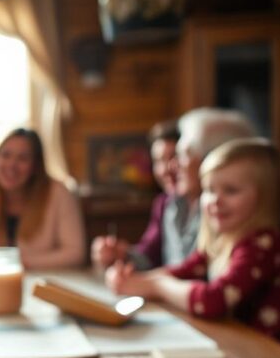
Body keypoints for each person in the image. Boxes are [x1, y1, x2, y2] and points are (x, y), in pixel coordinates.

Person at [107, 138, 280, 340]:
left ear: (266, 197)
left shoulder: (265, 244)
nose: (215, 201)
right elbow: (184, 271)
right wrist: (136, 280)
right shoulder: (222, 240)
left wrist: (154, 285)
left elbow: (212, 300)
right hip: (239, 346)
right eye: (209, 190)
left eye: (231, 190)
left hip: (272, 357)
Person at [93, 109, 255, 270]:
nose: (170, 167)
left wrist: (157, 283)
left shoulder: (218, 209)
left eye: (179, 155)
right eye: (158, 160)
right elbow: (153, 255)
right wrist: (121, 254)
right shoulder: (167, 203)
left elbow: (199, 274)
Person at [0, 129, 85, 269]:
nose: (12, 165)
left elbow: (75, 253)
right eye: (6, 155)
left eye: (22, 158)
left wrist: (22, 262)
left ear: (35, 166)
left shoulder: (59, 194)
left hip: (46, 284)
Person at [92, 121, 179, 270]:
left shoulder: (208, 207)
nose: (165, 169)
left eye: (173, 157)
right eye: (159, 161)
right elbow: (148, 254)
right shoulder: (164, 202)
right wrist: (119, 252)